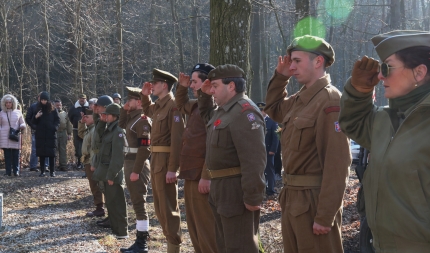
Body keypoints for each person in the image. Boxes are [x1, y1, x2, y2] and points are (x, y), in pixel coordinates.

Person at [339, 30, 430, 252]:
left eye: (387, 67)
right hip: (377, 243)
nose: (381, 76)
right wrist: (359, 91)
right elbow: (352, 123)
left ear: (419, 73)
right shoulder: (387, 118)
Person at [264, 35, 351, 253]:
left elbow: (337, 165)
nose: (291, 67)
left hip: (314, 201)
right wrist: (280, 77)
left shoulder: (330, 100)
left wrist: (325, 215)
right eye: (290, 61)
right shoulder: (299, 100)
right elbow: (273, 108)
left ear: (318, 61)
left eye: (297, 61)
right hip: (293, 199)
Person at [198, 64, 266, 253]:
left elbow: (254, 159)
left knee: (240, 246)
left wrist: (253, 196)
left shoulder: (245, 112)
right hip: (220, 188)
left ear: (231, 86)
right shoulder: (224, 110)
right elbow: (205, 116)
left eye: (215, 86)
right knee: (225, 245)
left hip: (235, 190)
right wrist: (204, 95)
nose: (211, 90)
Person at [140, 69, 184, 253]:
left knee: (168, 209)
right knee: (159, 208)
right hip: (157, 160)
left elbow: (177, 140)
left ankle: (174, 247)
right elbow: (148, 110)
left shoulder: (174, 105)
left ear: (164, 85)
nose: (152, 85)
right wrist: (144, 96)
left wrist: (173, 169)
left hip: (166, 162)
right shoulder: (160, 105)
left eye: (155, 83)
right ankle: (170, 245)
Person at [176, 63, 217, 253]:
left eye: (194, 82)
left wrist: (206, 176)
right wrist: (182, 88)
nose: (192, 85)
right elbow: (180, 106)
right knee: (194, 228)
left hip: (202, 177)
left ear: (207, 82)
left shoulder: (213, 108)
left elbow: (214, 145)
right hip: (191, 175)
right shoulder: (196, 106)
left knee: (207, 229)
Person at [119, 87, 151, 253]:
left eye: (130, 100)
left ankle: (142, 243)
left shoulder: (143, 120)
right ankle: (138, 241)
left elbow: (145, 148)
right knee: (136, 202)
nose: (127, 102)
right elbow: (121, 123)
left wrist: (136, 171)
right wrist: (123, 110)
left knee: (139, 204)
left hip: (137, 165)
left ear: (139, 102)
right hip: (130, 163)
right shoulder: (133, 119)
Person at [92, 103, 128, 239]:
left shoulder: (118, 131)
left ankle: (122, 232)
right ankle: (116, 230)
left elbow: (118, 157)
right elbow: (98, 140)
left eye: (107, 115)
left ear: (114, 116)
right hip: (107, 173)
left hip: (113, 174)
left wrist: (112, 175)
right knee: (111, 204)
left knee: (117, 204)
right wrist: (101, 122)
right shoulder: (109, 129)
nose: (104, 117)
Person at [91, 95, 113, 228]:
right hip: (100, 157)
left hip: (106, 159)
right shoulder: (103, 119)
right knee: (103, 188)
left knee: (109, 190)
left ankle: (112, 216)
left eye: (98, 106)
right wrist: (95, 114)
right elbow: (97, 127)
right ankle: (110, 216)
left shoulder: (109, 120)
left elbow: (100, 134)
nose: (96, 108)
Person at [79, 108, 105, 217]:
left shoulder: (95, 130)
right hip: (88, 161)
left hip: (92, 161)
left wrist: (93, 163)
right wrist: (81, 122)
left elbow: (95, 148)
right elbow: (80, 134)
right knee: (93, 185)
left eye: (87, 117)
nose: (85, 118)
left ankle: (100, 208)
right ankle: (99, 207)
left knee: (96, 185)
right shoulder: (89, 129)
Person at [32, 91, 60, 177]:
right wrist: (36, 117)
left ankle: (52, 171)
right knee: (42, 153)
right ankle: (42, 171)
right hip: (40, 134)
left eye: (45, 100)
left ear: (48, 100)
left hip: (51, 134)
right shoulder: (37, 108)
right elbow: (33, 122)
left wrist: (54, 128)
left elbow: (57, 121)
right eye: (42, 100)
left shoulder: (53, 109)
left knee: (51, 153)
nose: (43, 101)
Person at [256, 102, 279, 197]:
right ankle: (262, 188)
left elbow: (276, 137)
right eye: (259, 110)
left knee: (269, 170)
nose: (260, 112)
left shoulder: (272, 121)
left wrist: (273, 149)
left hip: (268, 150)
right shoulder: (256, 121)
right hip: (258, 151)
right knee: (259, 170)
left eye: (262, 110)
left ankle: (271, 189)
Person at [0, 94, 26, 176]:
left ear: (13, 103)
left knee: (16, 155)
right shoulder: (1, 113)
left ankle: (16, 171)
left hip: (15, 136)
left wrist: (22, 126)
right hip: (4, 137)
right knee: (7, 156)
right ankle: (8, 172)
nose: (8, 104)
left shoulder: (18, 112)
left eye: (10, 102)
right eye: (6, 102)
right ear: (4, 103)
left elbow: (22, 123)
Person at [25, 93, 48, 172]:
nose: (42, 99)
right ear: (38, 98)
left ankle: (46, 166)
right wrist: (33, 126)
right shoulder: (33, 106)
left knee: (46, 148)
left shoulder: (49, 107)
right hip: (35, 131)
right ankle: (33, 166)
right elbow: (28, 118)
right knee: (35, 149)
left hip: (46, 131)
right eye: (40, 98)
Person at [68, 94, 89, 170]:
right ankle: (79, 162)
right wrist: (75, 123)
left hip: (87, 129)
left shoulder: (89, 107)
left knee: (85, 146)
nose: (82, 100)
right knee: (77, 146)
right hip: (76, 130)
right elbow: (70, 117)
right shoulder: (73, 108)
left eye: (83, 98)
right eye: (80, 98)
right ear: (78, 99)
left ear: (86, 99)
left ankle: (85, 162)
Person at [54, 99, 72, 171]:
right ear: (54, 105)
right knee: (54, 150)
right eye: (57, 105)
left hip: (63, 133)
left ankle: (63, 165)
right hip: (55, 133)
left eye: (60, 105)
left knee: (63, 149)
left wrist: (69, 133)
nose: (59, 106)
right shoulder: (52, 113)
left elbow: (68, 124)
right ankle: (53, 165)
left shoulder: (65, 113)